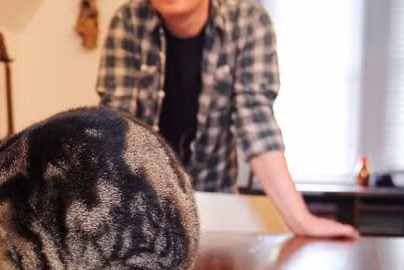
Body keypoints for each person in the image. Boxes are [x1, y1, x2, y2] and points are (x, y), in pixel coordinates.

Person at [96, 0, 358, 239]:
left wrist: (301, 221)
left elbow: (256, 123)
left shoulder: (248, 21)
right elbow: (115, 131)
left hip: (215, 205)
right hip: (141, 209)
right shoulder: (128, 22)